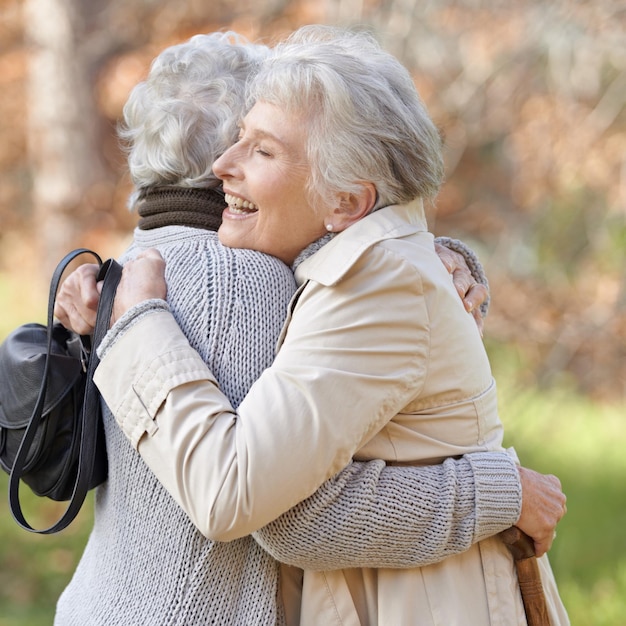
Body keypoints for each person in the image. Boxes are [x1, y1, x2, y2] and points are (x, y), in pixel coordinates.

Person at [54, 29, 567, 626]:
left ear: (346, 201)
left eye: (262, 149)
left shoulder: (156, 260)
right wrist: (504, 493)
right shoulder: (262, 273)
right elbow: (281, 511)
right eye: (237, 138)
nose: (227, 164)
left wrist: (131, 323)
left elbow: (266, 504)